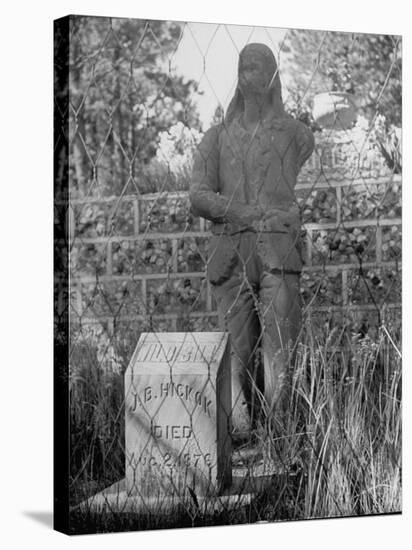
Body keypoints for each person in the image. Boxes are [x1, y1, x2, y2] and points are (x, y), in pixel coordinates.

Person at [189, 43, 315, 439]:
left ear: (274, 77)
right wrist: (244, 212)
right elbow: (198, 196)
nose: (248, 74)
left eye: (257, 68)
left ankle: (281, 437)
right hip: (231, 257)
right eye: (243, 67)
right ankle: (239, 437)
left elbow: (304, 180)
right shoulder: (216, 139)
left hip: (279, 253)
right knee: (236, 352)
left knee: (281, 351)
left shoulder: (297, 135)